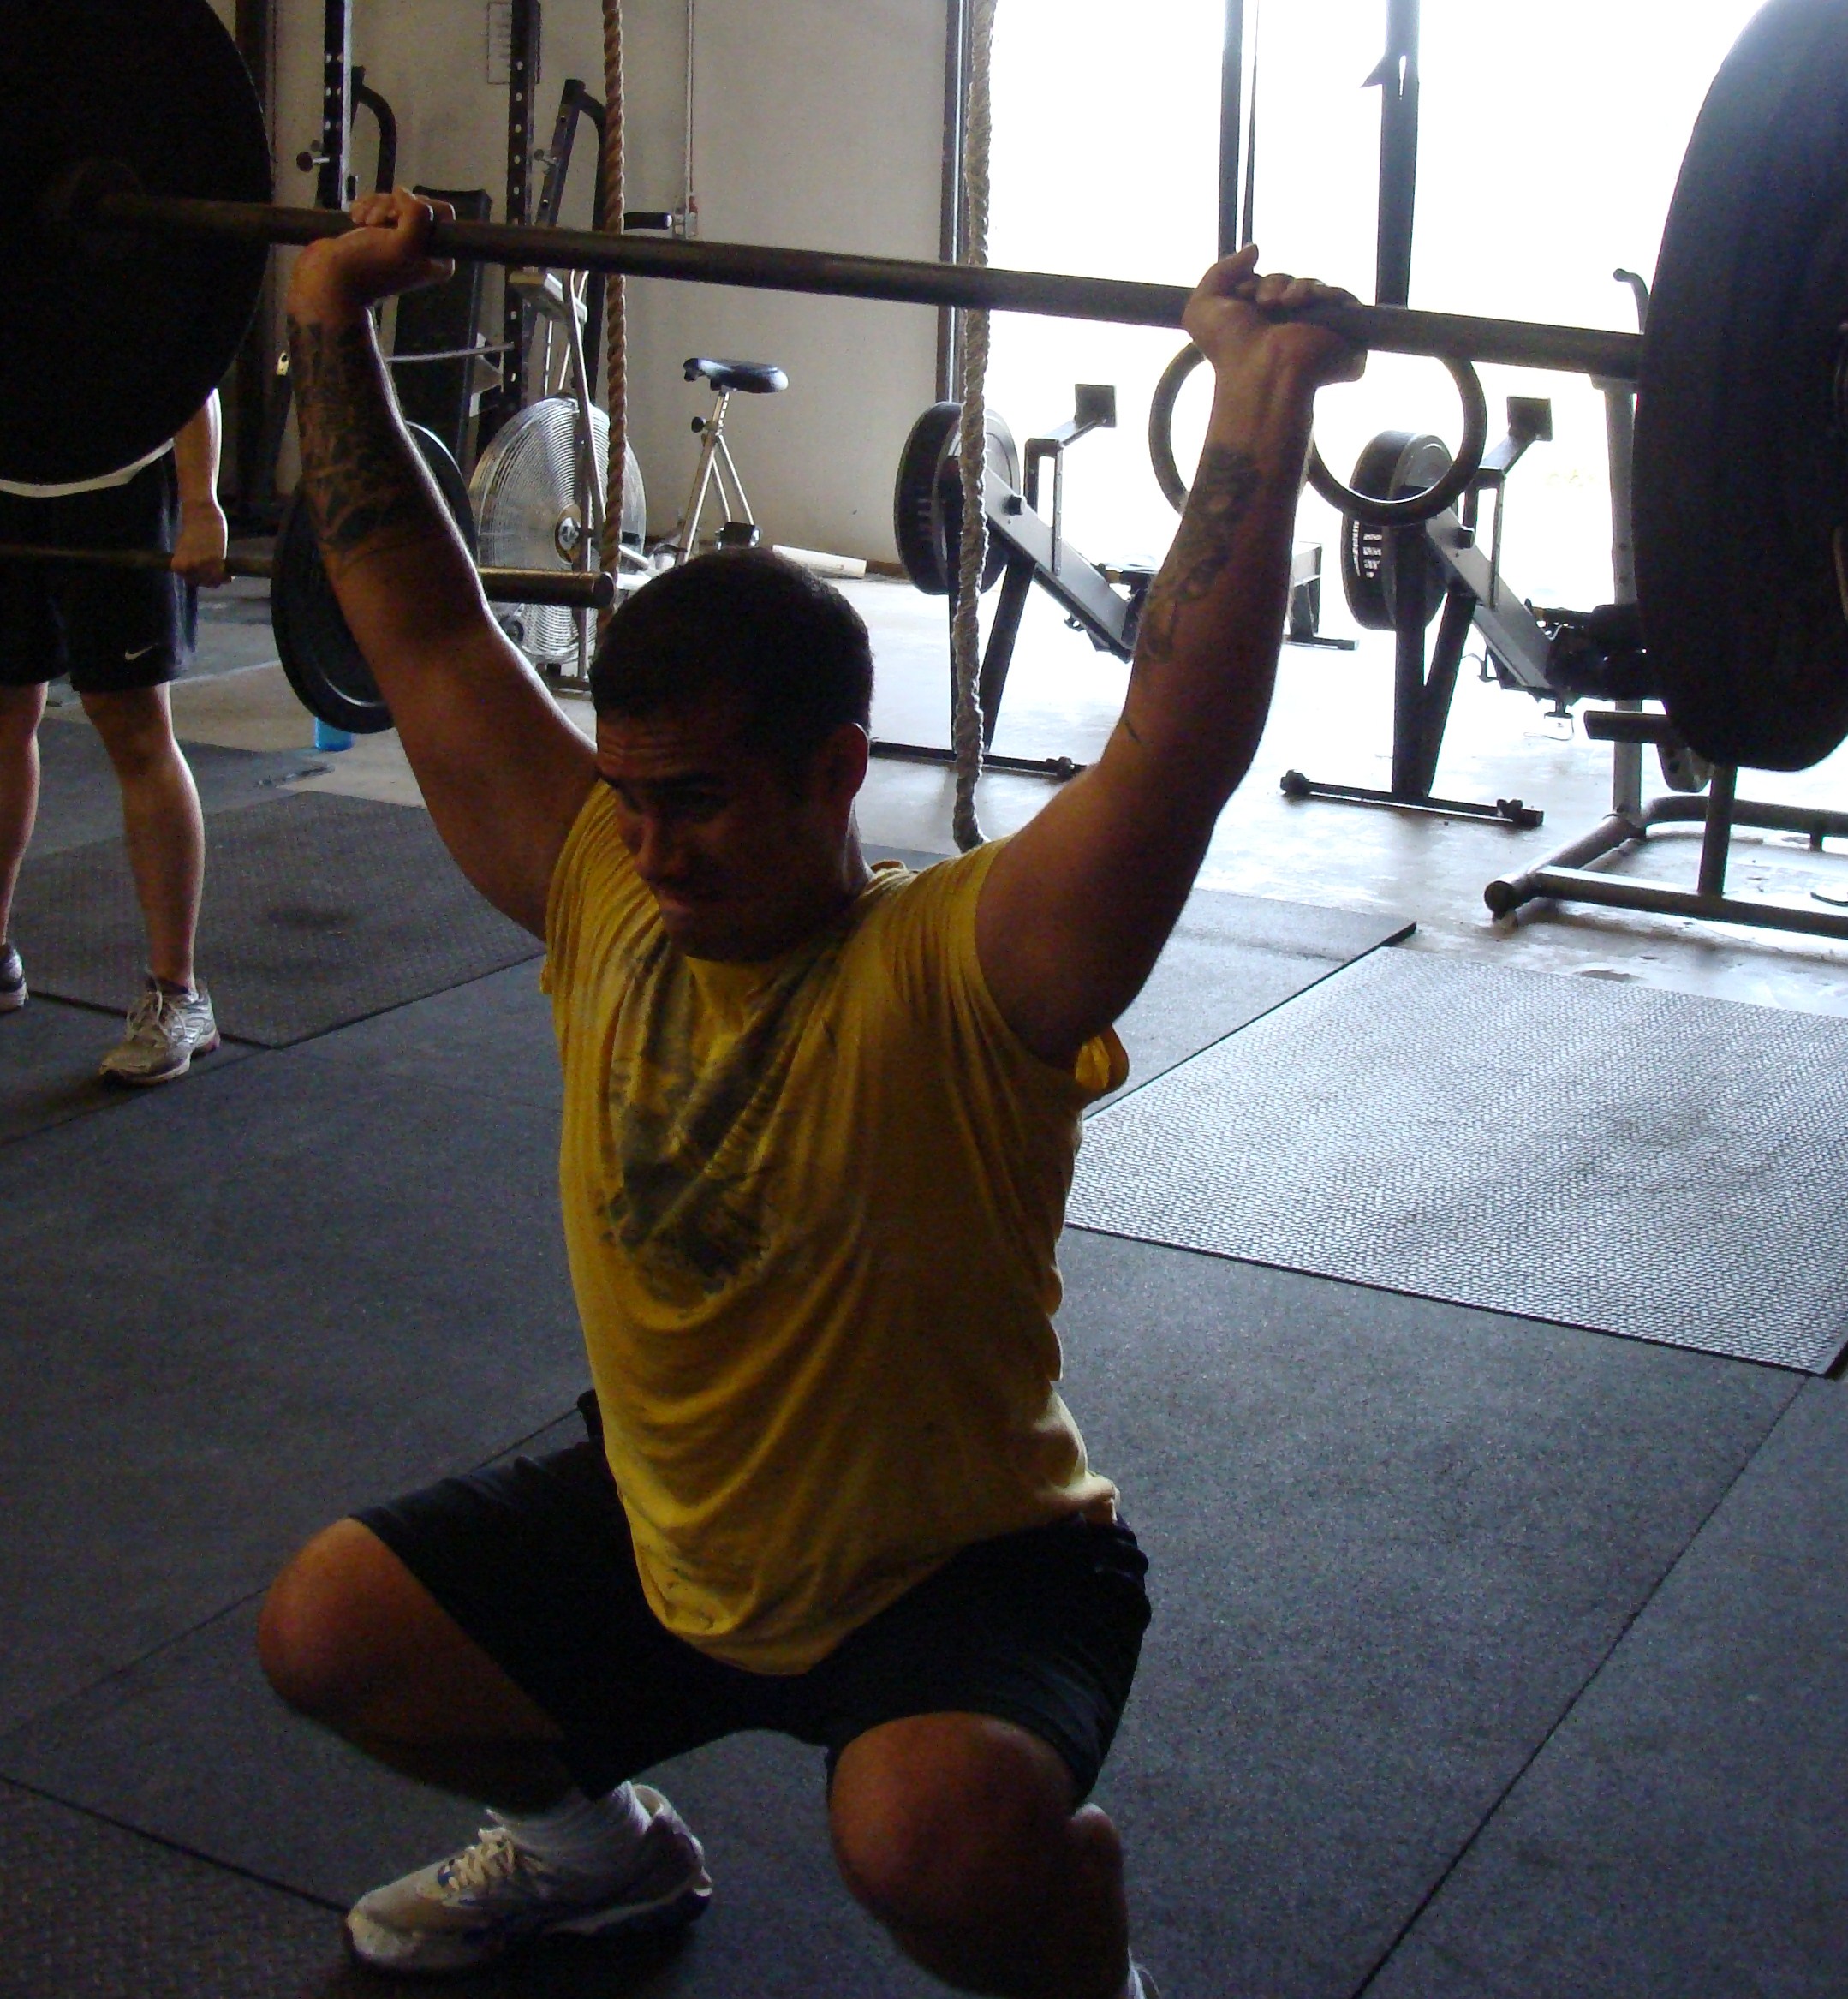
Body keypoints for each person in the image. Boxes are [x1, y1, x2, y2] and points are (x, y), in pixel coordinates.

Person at [255, 190, 1362, 1998]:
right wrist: (327, 319)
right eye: (626, 795)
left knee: (929, 1843)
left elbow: (1173, 742)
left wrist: (1258, 396)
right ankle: (594, 1852)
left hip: (956, 1571)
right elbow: (427, 632)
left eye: (694, 798)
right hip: (669, 1534)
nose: (647, 847)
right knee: (325, 1628)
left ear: (837, 768)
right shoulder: (606, 888)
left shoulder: (965, 974)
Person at [0, 394, 228, 1082]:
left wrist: (201, 504)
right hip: (8, 483)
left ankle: (178, 995)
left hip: (119, 486)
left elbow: (189, 366)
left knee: (132, 728)